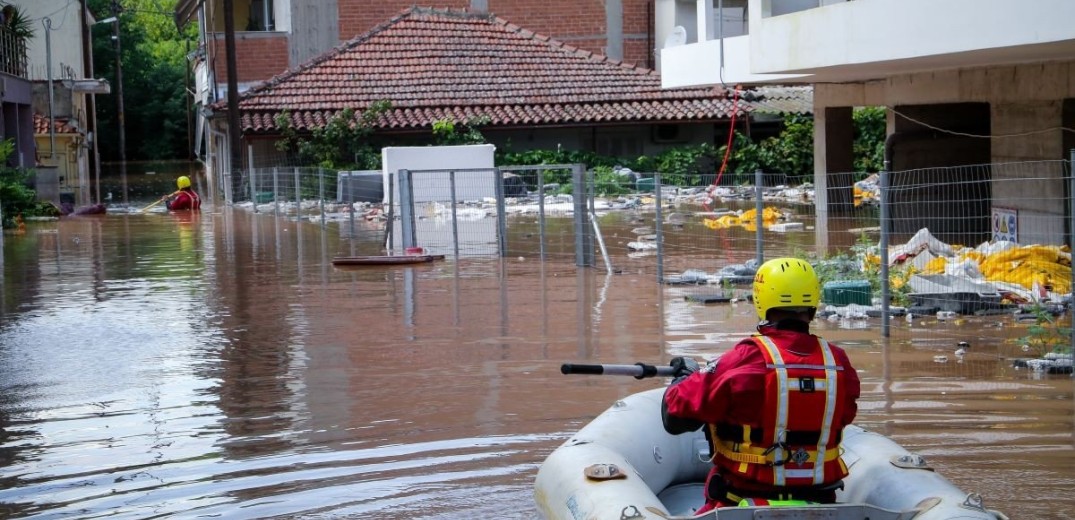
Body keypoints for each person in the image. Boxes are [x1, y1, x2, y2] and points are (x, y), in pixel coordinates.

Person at [662, 257, 860, 514]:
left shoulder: (745, 358)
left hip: (739, 503)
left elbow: (675, 414)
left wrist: (684, 378)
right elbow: (845, 414)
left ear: (761, 300)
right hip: (820, 504)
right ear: (812, 304)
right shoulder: (838, 362)